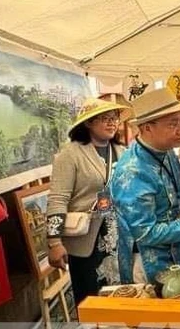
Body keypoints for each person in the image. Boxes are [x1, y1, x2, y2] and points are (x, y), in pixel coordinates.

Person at [110, 88, 180, 283]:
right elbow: (144, 233)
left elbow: (178, 200)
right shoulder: (132, 171)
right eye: (172, 124)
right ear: (146, 128)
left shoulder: (166, 151)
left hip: (176, 254)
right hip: (149, 264)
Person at [47, 98, 132, 305]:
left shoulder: (123, 153)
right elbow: (58, 199)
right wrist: (54, 243)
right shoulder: (70, 155)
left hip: (119, 235)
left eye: (115, 118)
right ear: (88, 123)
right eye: (105, 119)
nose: (112, 123)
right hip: (87, 238)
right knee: (91, 299)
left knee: (123, 294)